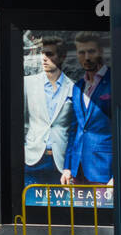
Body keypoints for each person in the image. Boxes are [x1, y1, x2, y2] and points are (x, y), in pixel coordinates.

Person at [61, 33, 113, 188]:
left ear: (101, 52)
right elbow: (75, 129)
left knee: (103, 213)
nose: (87, 57)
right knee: (78, 213)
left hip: (105, 170)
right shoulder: (78, 87)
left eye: (91, 51)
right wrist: (67, 166)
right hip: (77, 171)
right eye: (81, 52)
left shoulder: (115, 81)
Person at [24, 37, 75, 188]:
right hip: (32, 158)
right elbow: (19, 119)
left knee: (60, 208)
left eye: (50, 54)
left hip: (60, 162)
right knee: (30, 205)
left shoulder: (73, 88)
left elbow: (74, 128)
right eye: (43, 54)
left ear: (62, 57)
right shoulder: (28, 83)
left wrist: (70, 164)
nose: (44, 58)